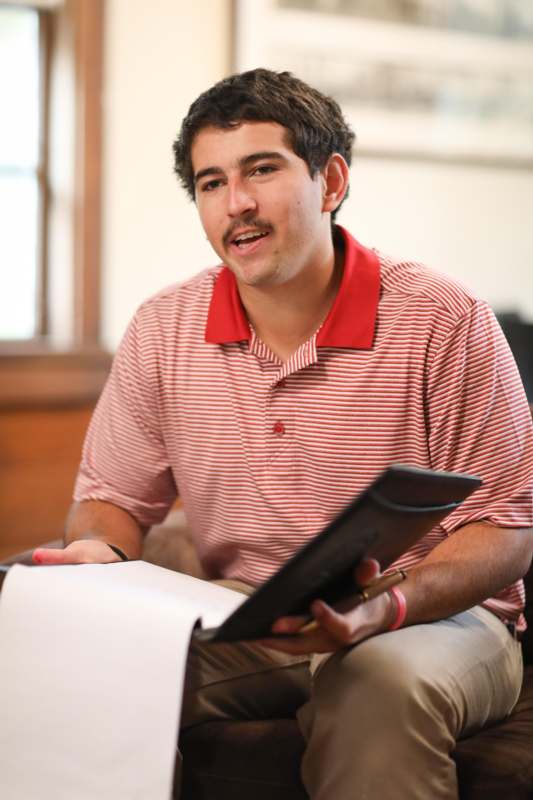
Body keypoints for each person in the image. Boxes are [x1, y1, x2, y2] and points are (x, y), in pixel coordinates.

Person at [34, 69, 533, 799]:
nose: (236, 204)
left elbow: (507, 527)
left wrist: (380, 608)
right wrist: (97, 550)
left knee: (375, 683)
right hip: (242, 611)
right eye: (210, 182)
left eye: (260, 171)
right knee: (58, 661)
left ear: (330, 181)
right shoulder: (161, 328)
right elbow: (113, 498)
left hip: (431, 617)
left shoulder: (442, 317)